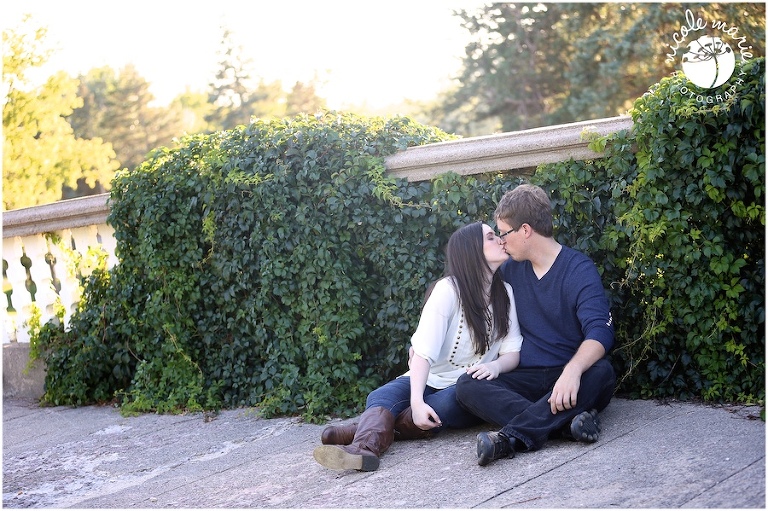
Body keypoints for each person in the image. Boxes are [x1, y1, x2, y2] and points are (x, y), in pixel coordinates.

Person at [312, 221, 524, 472]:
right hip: (429, 376)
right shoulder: (448, 290)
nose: (500, 240)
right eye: (490, 237)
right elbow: (423, 353)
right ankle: (364, 450)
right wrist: (416, 401)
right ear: (471, 250)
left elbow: (512, 352)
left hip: (467, 387)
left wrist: (496, 366)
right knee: (380, 396)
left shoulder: (505, 293)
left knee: (439, 407)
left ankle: (361, 432)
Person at [455, 184, 616, 467]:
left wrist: (573, 371)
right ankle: (565, 425)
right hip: (526, 378)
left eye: (504, 233)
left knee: (601, 372)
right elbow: (466, 291)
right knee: (468, 385)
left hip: (570, 379)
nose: (501, 241)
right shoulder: (510, 271)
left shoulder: (578, 269)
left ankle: (509, 439)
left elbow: (600, 332)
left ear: (526, 230)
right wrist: (420, 348)